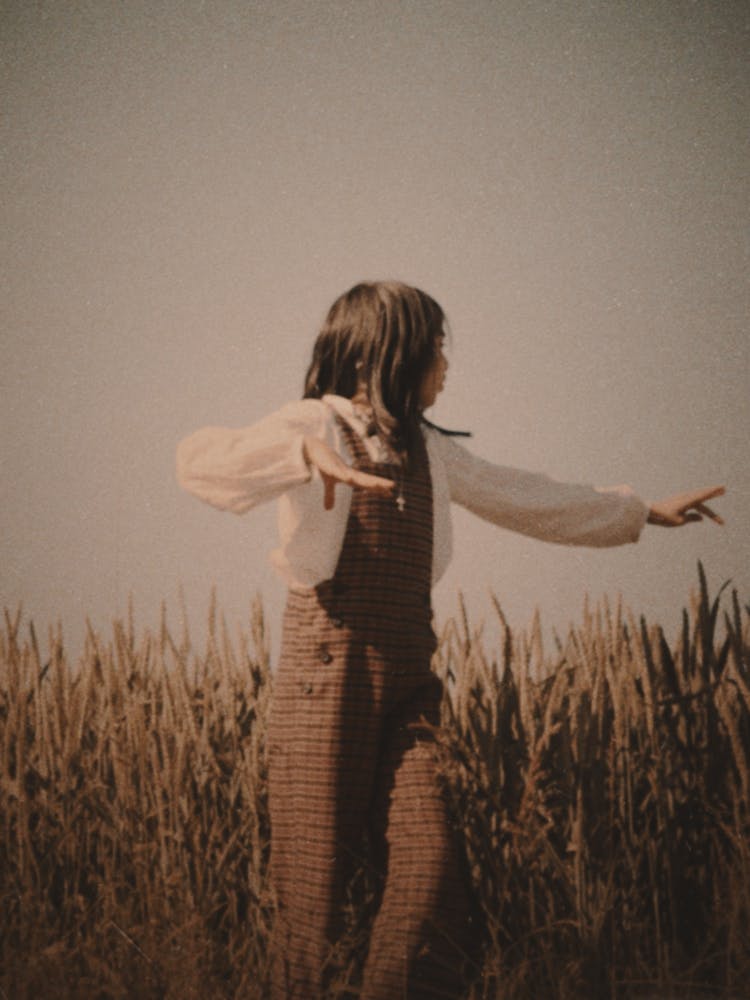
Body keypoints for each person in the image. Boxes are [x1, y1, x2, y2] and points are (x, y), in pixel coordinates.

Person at [176, 280, 724, 999]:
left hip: (408, 684)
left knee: (429, 867)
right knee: (311, 898)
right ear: (388, 355)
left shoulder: (433, 451)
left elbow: (525, 495)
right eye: (435, 347)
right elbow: (201, 461)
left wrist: (640, 512)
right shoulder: (318, 423)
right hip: (324, 677)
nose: (445, 363)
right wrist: (305, 458)